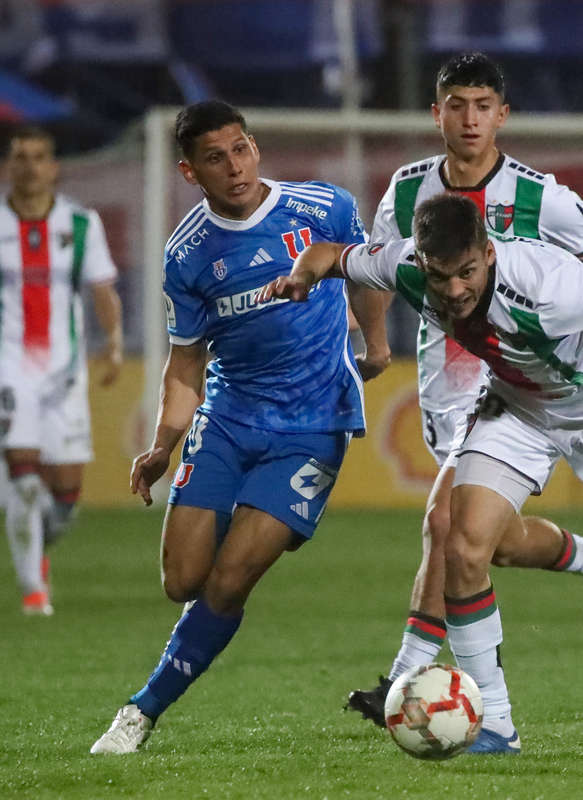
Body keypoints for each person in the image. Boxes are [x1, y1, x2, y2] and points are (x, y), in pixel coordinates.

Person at [263, 193, 583, 754]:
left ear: (488, 254)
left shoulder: (547, 288)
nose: (455, 290)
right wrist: (300, 277)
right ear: (421, 263)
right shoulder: (404, 266)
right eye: (441, 276)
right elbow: (327, 254)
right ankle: (494, 721)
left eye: (467, 272)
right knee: (464, 544)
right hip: (521, 404)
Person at [345, 52, 583, 727]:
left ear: (502, 114)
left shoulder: (542, 197)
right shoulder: (404, 191)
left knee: (445, 525)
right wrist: (376, 344)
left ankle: (410, 681)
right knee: (489, 542)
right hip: (443, 381)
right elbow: (369, 271)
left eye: (483, 106)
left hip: (518, 384)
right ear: (437, 112)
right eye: (457, 104)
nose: (470, 118)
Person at [89, 100, 389, 755]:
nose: (235, 167)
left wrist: (378, 342)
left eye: (242, 149)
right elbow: (185, 364)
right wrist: (163, 444)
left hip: (313, 426)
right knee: (183, 582)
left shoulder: (323, 207)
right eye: (216, 158)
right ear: (189, 171)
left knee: (230, 580)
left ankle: (139, 713)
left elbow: (369, 269)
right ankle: (212, 539)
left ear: (255, 146)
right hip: (227, 420)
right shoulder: (187, 255)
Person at [0, 126, 124, 616]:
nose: (30, 166)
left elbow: (102, 289)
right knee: (24, 481)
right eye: (21, 157)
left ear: (54, 166)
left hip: (65, 371)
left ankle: (37, 551)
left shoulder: (81, 224)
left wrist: (115, 342)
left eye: (39, 157)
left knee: (65, 498)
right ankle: (33, 591)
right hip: (9, 365)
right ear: (8, 166)